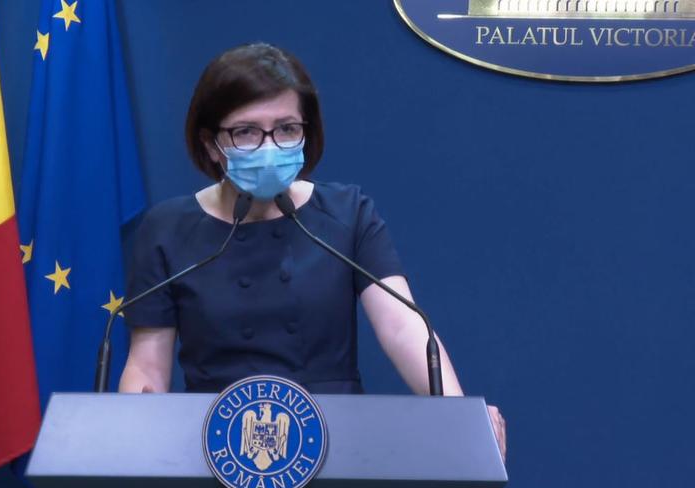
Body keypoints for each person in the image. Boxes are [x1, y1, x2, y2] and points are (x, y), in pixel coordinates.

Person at [118, 43, 505, 459]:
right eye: (246, 132)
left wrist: (459, 418)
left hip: (336, 444)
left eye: (286, 129)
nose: (269, 147)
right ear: (212, 144)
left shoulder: (347, 213)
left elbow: (402, 326)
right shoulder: (167, 228)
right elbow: (147, 365)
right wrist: (130, 449)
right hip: (216, 445)